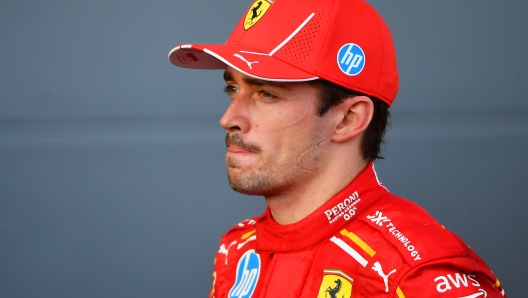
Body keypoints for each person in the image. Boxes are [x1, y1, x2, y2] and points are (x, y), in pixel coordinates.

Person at [168, 0, 507, 297]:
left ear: (347, 119)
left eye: (266, 93)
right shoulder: (239, 250)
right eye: (232, 90)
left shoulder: (413, 277)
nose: (229, 118)